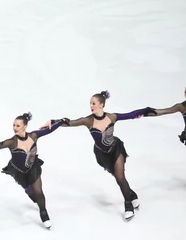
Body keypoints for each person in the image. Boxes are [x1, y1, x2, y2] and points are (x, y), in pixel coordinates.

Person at [43, 91, 154, 220]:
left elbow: (130, 114)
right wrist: (53, 121)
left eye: (94, 103)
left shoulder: (111, 117)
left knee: (120, 177)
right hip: (102, 155)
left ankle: (128, 205)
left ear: (101, 105)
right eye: (90, 103)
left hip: (116, 150)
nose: (91, 106)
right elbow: (69, 123)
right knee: (118, 177)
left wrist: (146, 110)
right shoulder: (88, 120)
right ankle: (132, 194)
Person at [0, 112, 67, 229]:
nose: (15, 128)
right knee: (30, 192)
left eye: (17, 125)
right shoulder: (13, 141)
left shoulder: (33, 135)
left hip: (33, 168)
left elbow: (49, 130)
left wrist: (58, 121)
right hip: (18, 171)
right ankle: (31, 194)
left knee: (38, 192)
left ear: (25, 126)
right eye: (13, 125)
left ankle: (43, 212)